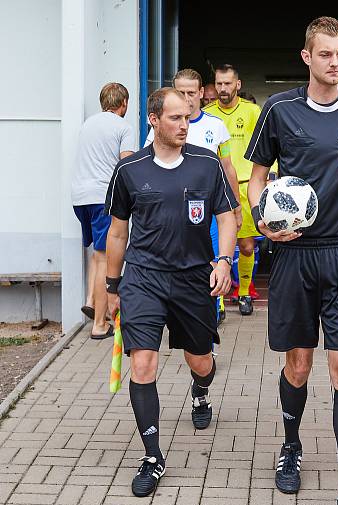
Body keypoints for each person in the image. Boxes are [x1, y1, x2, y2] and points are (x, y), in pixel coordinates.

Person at [245, 16, 338, 505]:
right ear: (306, 56)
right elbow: (257, 176)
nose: (335, 62)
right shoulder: (279, 110)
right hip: (295, 256)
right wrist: (263, 217)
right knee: (299, 366)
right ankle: (290, 445)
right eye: (325, 54)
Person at [104, 88, 238, 497]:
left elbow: (227, 217)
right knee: (143, 365)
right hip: (144, 278)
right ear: (154, 120)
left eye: (188, 116)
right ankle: (151, 456)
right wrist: (112, 288)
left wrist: (224, 260)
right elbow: (117, 231)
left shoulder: (206, 163)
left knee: (200, 362)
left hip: (193, 279)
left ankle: (200, 392)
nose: (185, 124)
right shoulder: (130, 170)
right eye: (176, 117)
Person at [145, 69, 243, 324]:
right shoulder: (161, 129)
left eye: (191, 92)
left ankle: (216, 303)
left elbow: (228, 167)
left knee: (213, 259)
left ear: (201, 93)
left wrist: (236, 207)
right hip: (172, 214)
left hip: (208, 210)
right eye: (181, 92)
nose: (187, 98)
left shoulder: (216, 126)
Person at [71, 82, 136, 339]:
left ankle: (90, 299)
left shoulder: (87, 124)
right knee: (106, 257)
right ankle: (99, 324)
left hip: (80, 197)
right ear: (124, 104)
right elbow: (127, 163)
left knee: (96, 254)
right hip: (102, 197)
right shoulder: (123, 127)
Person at [204, 64, 264, 316]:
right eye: (219, 84)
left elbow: (266, 146)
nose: (223, 89)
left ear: (237, 84)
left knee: (247, 246)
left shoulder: (252, 111)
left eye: (228, 83)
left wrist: (270, 175)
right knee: (213, 248)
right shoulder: (207, 113)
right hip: (215, 189)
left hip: (244, 184)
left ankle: (244, 293)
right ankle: (216, 299)